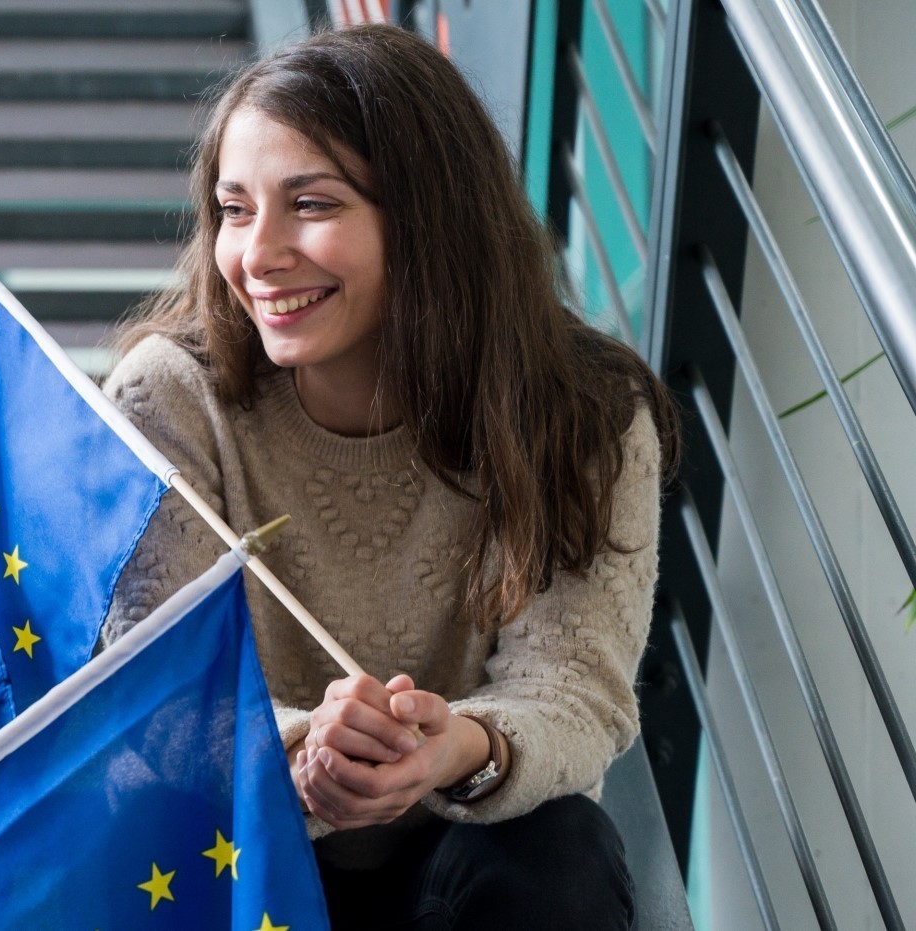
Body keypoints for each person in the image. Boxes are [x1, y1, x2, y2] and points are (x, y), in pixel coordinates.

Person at [101, 24, 680, 929]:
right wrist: (304, 749)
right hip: (235, 852)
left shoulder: (586, 411)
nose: (258, 254)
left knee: (560, 849)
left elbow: (576, 690)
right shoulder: (171, 396)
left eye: (313, 204)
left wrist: (456, 746)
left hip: (455, 857)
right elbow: (146, 694)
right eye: (236, 209)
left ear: (428, 217)